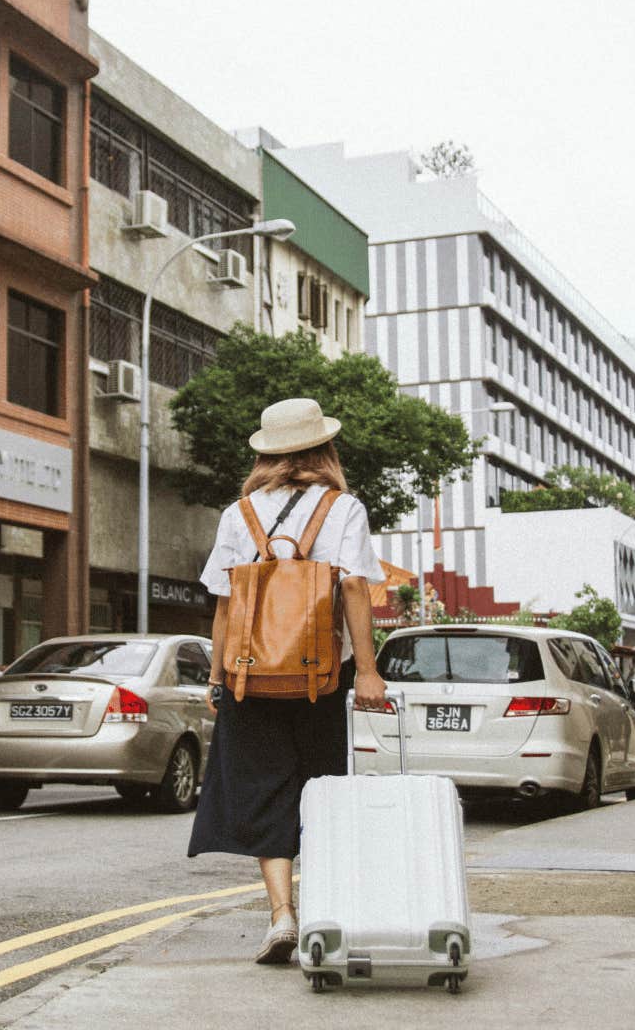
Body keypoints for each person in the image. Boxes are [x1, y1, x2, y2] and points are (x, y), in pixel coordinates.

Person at [187, 397, 385, 963]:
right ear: (324, 449)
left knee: (260, 788)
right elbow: (352, 589)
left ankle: (281, 915)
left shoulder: (238, 513)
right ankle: (321, 908)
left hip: (249, 676)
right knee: (317, 789)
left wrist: (218, 678)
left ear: (268, 454)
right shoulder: (343, 508)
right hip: (318, 677)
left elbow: (225, 603)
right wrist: (367, 671)